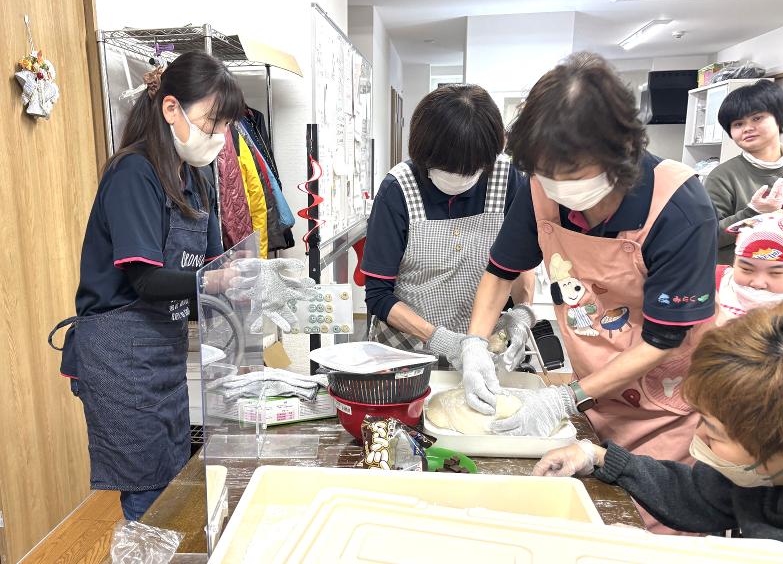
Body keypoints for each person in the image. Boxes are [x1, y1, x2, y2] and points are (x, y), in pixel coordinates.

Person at [459, 53, 718, 532]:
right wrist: (474, 344)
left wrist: (566, 398)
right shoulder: (542, 187)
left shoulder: (679, 208)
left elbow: (663, 339)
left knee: (642, 531)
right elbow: (501, 271)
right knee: (582, 516)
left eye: (573, 172)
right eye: (545, 172)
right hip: (593, 397)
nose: (557, 185)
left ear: (620, 152)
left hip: (665, 409)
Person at [47, 52, 312, 521]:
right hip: (121, 355)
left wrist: (251, 285)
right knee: (148, 493)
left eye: (226, 126)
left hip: (161, 350)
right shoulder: (133, 174)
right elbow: (146, 279)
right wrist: (216, 279)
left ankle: (161, 544)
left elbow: (213, 265)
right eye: (213, 122)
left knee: (172, 478)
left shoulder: (196, 176)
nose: (220, 136)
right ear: (171, 108)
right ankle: (146, 548)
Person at [532, 299, 783, 546]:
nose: (698, 435)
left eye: (715, 434)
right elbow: (694, 495)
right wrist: (599, 456)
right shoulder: (761, 478)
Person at [362, 84, 535, 397]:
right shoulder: (397, 190)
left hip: (487, 348)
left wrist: (522, 312)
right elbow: (378, 295)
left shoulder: (509, 180)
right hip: (407, 352)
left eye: (471, 170)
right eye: (446, 169)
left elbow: (519, 261)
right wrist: (445, 341)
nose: (458, 177)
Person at [704, 80, 783, 265]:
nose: (747, 128)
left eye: (757, 118)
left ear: (778, 119)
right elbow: (709, 236)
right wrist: (753, 213)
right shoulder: (722, 176)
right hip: (738, 274)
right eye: (738, 124)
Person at [717, 211, 783, 321]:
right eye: (746, 269)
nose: (758, 283)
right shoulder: (705, 282)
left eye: (775, 273)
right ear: (734, 262)